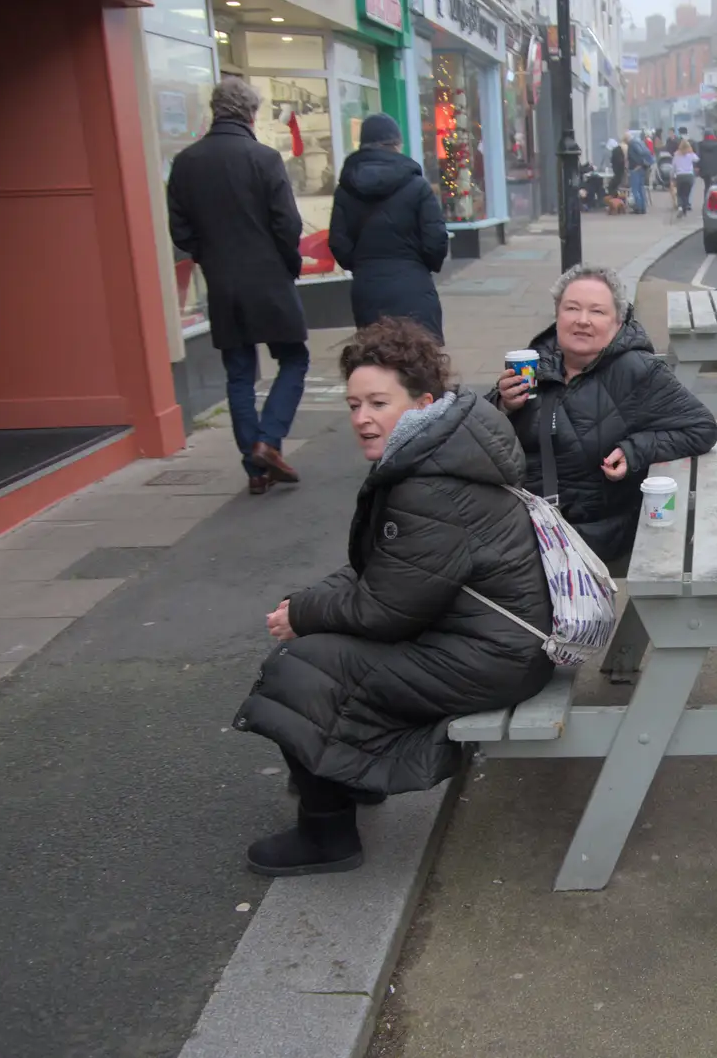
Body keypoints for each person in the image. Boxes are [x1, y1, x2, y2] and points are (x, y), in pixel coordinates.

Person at [234, 318, 554, 876]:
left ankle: (327, 835)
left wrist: (305, 614)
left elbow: (388, 609)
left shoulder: (427, 484)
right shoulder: (439, 451)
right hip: (496, 643)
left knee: (300, 667)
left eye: (379, 402)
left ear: (422, 401)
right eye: (354, 404)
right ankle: (346, 780)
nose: (362, 418)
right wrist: (310, 602)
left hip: (492, 659)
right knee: (324, 647)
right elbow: (387, 569)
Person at [491, 264, 717, 566]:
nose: (582, 320)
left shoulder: (638, 371)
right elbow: (478, 433)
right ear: (558, 315)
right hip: (521, 523)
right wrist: (503, 403)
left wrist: (633, 450)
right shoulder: (536, 362)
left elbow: (701, 429)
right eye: (572, 308)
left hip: (591, 534)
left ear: (617, 322)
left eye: (596, 312)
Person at [168, 77, 308, 495]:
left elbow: (180, 228)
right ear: (250, 113)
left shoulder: (187, 162)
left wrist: (207, 256)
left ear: (216, 110)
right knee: (294, 359)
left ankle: (255, 465)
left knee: (239, 373)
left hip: (222, 281)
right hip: (268, 277)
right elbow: (287, 223)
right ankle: (268, 441)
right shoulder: (263, 158)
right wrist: (289, 262)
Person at [328, 113, 448, 342]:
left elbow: (338, 242)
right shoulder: (417, 186)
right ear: (396, 144)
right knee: (420, 363)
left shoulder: (345, 189)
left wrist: (361, 265)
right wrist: (423, 265)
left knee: (376, 360)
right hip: (413, 286)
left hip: (367, 287)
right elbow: (436, 239)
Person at [626, 132, 653, 214]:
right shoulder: (640, 143)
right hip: (642, 168)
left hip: (636, 169)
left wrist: (638, 164)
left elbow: (639, 153)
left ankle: (638, 208)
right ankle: (643, 208)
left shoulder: (632, 144)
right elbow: (646, 152)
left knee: (635, 189)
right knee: (641, 188)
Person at [697, 130, 717, 198]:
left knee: (707, 186)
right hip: (716, 170)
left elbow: (698, 157)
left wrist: (699, 167)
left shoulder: (700, 145)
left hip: (705, 170)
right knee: (715, 186)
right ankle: (714, 201)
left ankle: (706, 201)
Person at [672, 138, 698, 216]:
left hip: (680, 176)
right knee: (686, 193)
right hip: (689, 176)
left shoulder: (676, 156)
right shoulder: (690, 155)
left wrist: (673, 176)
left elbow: (673, 167)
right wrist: (691, 152)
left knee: (679, 193)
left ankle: (680, 207)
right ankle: (685, 208)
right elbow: (697, 159)